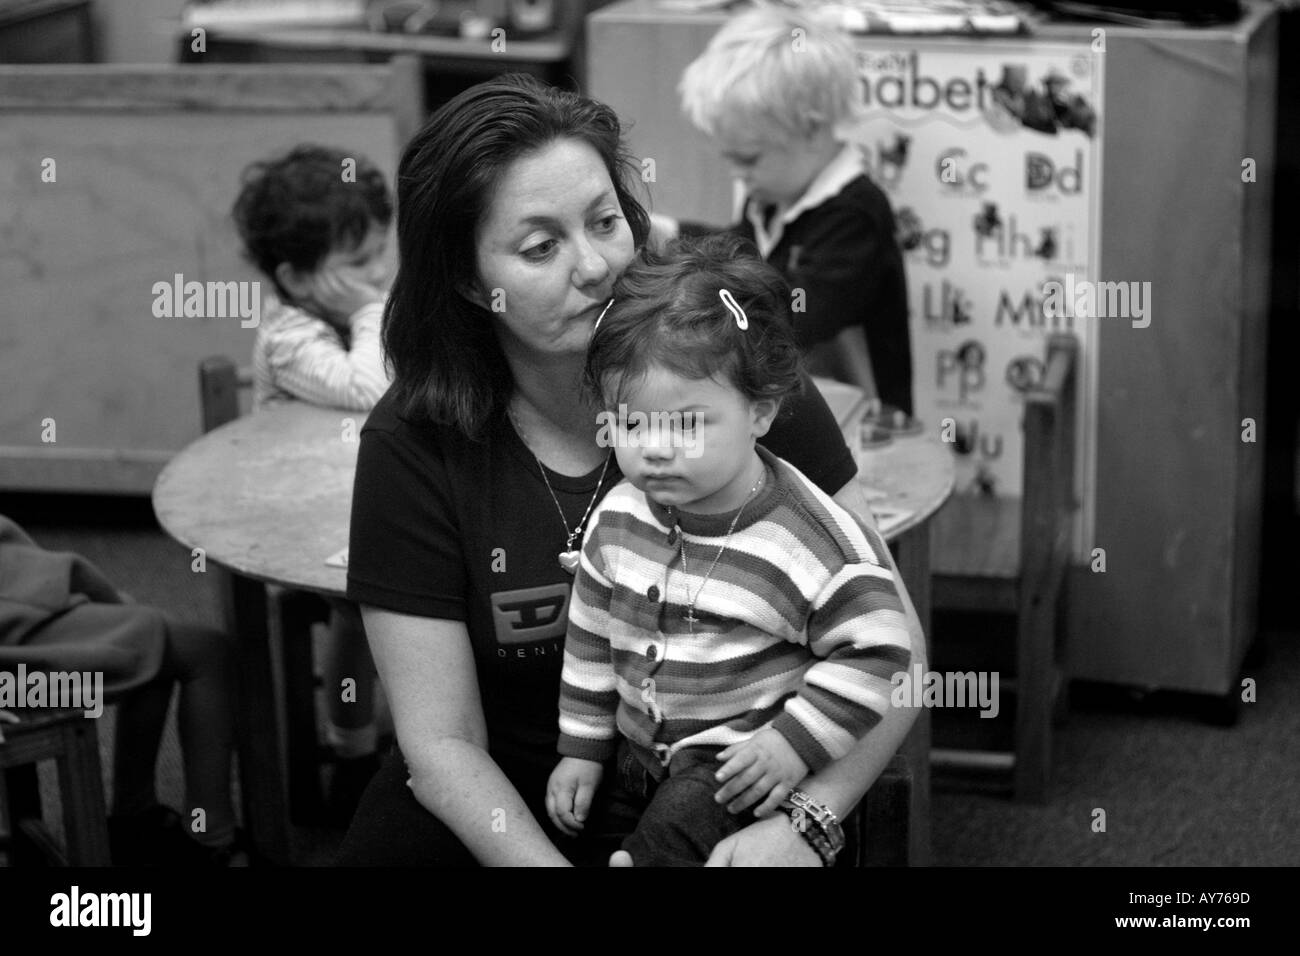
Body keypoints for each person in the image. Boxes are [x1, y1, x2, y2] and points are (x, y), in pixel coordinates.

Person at [339, 73, 925, 867]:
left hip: (731, 792)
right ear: (470, 283)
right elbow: (442, 745)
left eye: (606, 222)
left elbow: (898, 652)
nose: (596, 266)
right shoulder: (415, 441)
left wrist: (807, 823)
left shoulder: (730, 375)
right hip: (515, 803)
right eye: (541, 247)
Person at [547, 236, 912, 865]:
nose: (654, 448)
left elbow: (882, 649)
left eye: (685, 423)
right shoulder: (618, 519)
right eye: (631, 423)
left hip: (744, 765)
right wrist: (580, 746)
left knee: (671, 835)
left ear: (761, 413)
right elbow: (590, 639)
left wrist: (793, 744)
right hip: (640, 758)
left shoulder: (809, 539)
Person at [231, 144, 392, 819]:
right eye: (358, 264)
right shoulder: (288, 337)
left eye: (382, 252)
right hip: (298, 524)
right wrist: (369, 311)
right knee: (365, 601)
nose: (379, 274)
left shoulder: (356, 315)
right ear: (297, 279)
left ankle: (424, 735)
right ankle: (351, 751)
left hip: (357, 505)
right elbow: (373, 388)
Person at [670, 3, 914, 415]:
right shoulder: (771, 193)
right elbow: (740, 253)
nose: (737, 174)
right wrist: (673, 233)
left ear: (811, 129)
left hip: (866, 424)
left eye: (748, 159)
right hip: (791, 405)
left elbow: (793, 319)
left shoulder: (854, 216)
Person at [0, 514, 244, 865]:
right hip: (17, 675)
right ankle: (212, 840)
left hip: (20, 633)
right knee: (205, 651)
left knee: (150, 635)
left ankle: (135, 819)